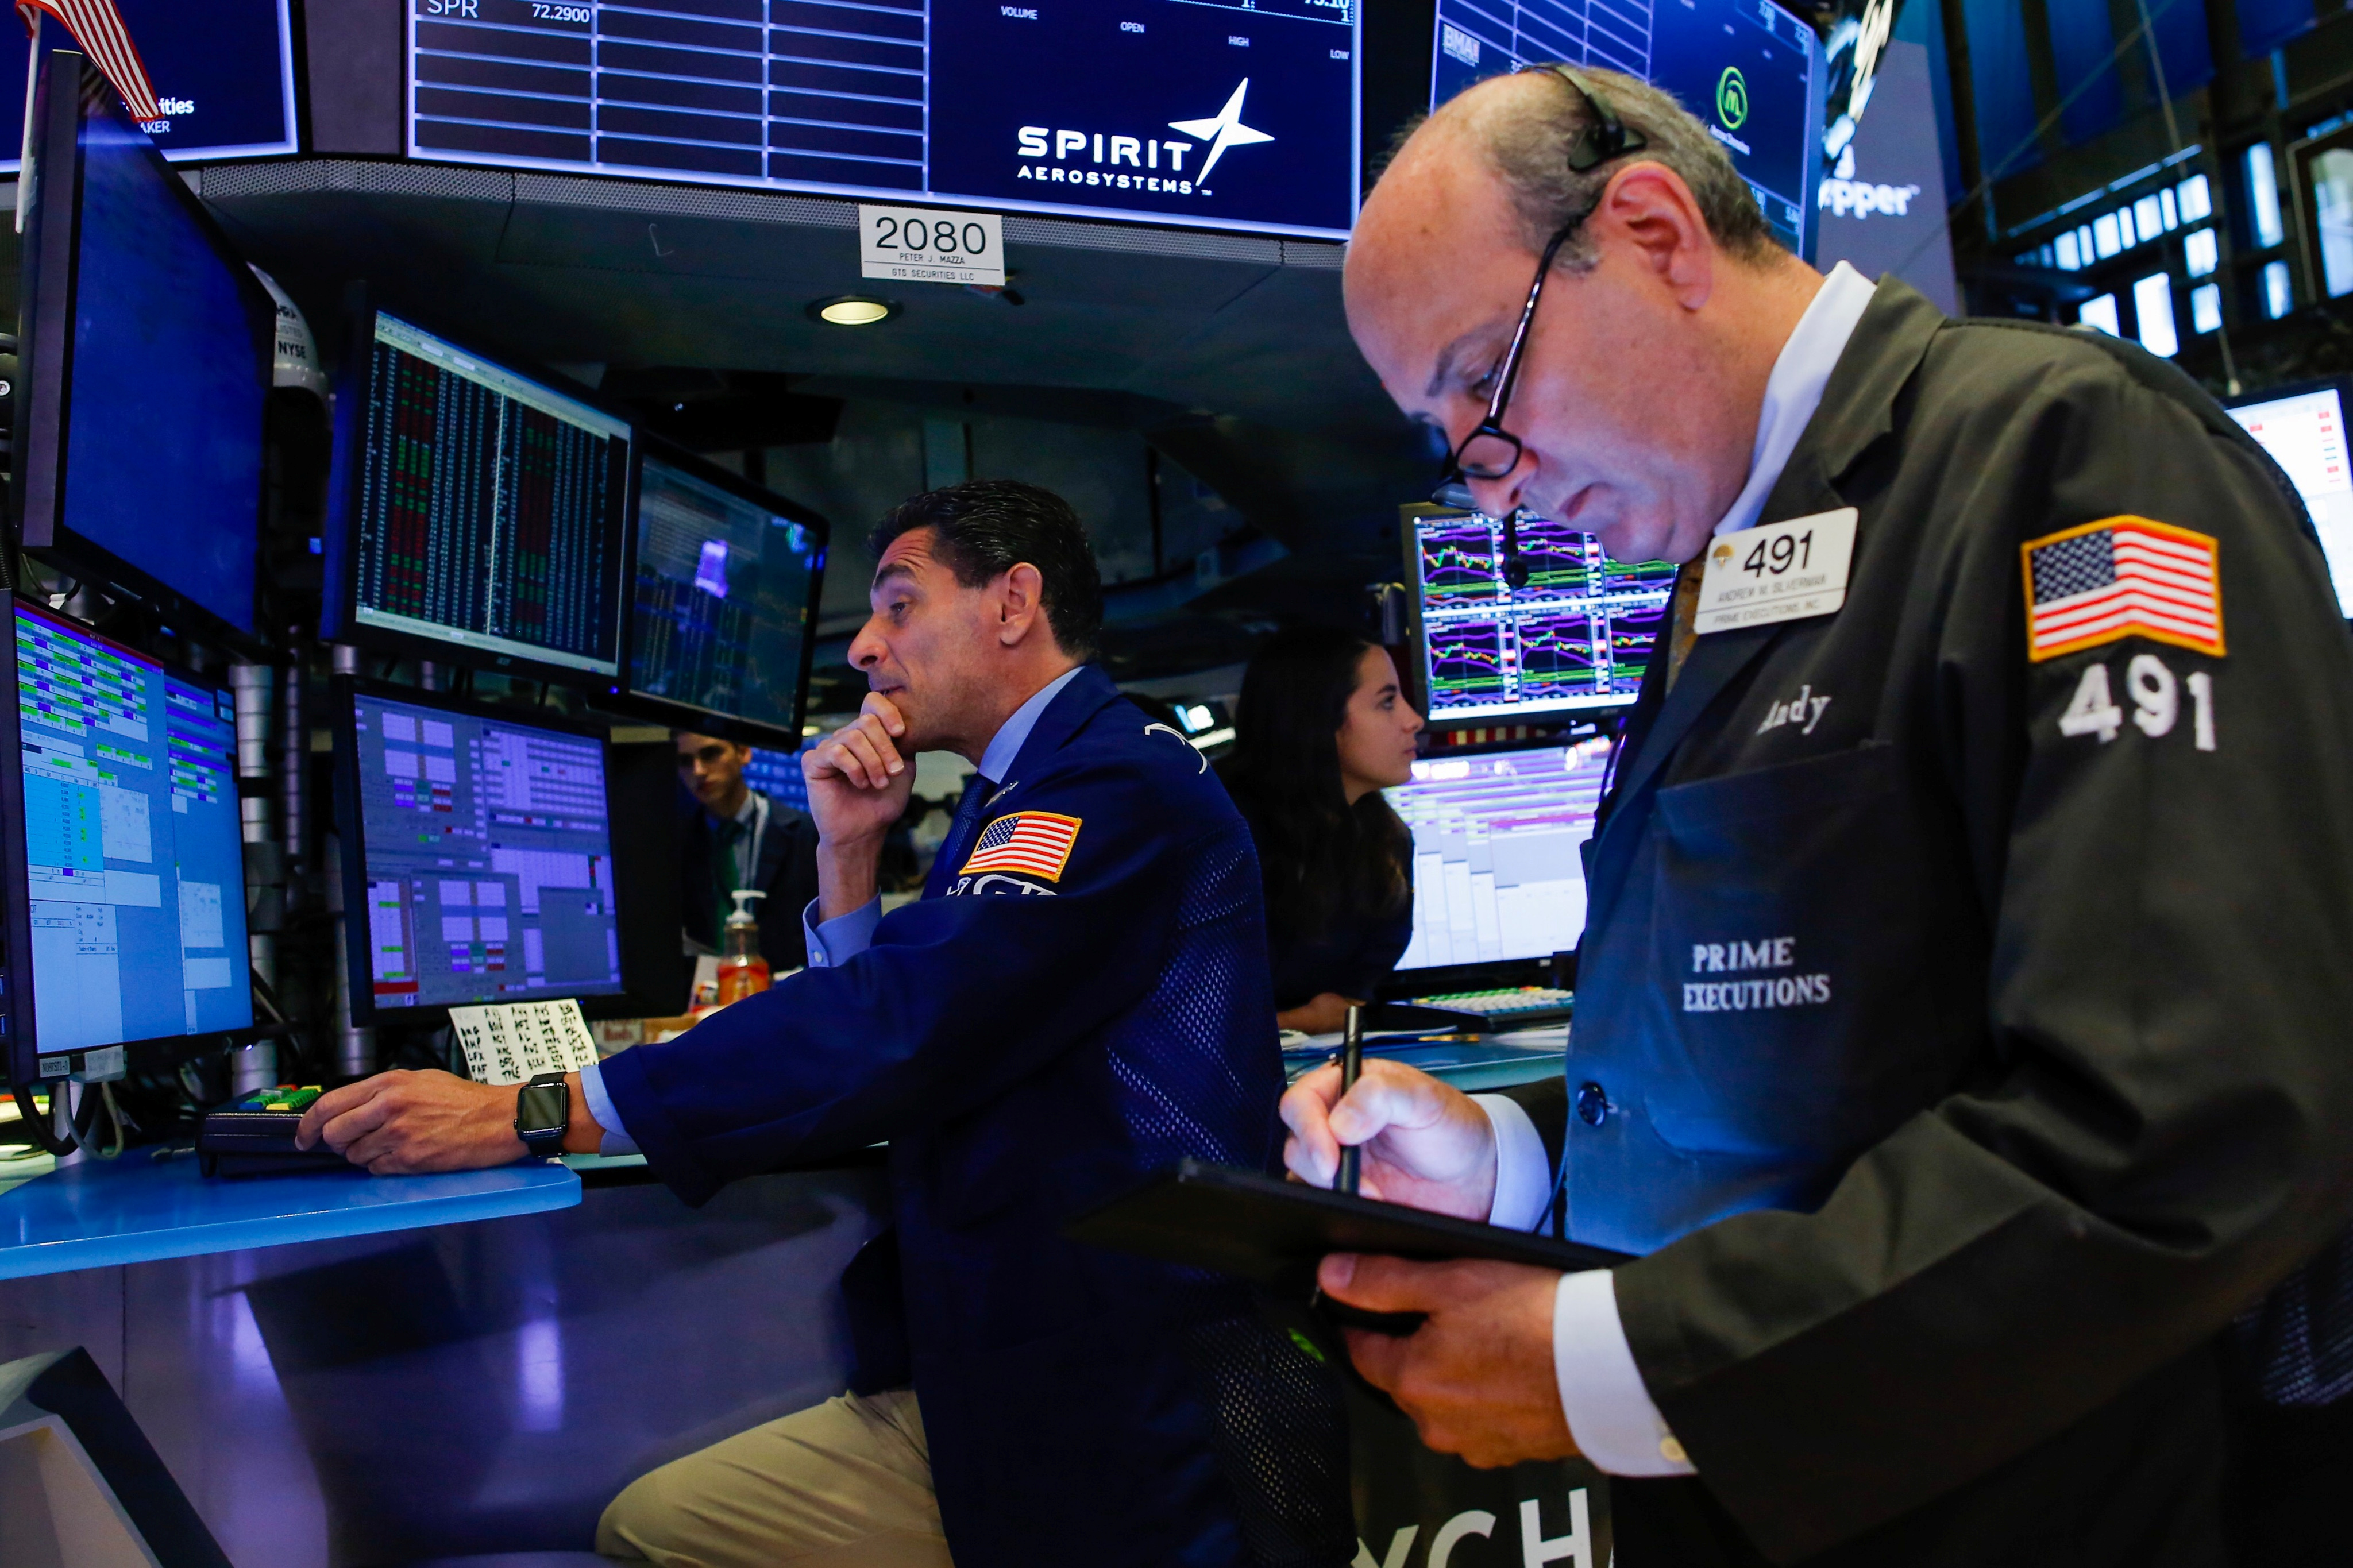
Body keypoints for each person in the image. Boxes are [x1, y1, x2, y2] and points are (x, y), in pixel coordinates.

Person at [1280, 62, 2353, 1566]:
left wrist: (1621, 1362)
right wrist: (1505, 1165)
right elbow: (1818, 1076)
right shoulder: (1724, 576)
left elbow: (2178, 1118)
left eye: (1483, 381)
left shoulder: (2071, 461)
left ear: (1654, 234)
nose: (1489, 484)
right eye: (1443, 430)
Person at [295, 480, 1349, 1568]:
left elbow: (903, 1020)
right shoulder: (1025, 785)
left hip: (1132, 1405)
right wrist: (848, 852)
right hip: (1040, 1360)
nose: (863, 647)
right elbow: (923, 1022)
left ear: (1012, 603)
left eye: (899, 604)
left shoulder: (1107, 785)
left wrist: (532, 1110)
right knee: (657, 1522)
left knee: (654, 1530)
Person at [1218, 626, 1424, 1033]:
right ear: (1317, 717)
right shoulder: (1220, 832)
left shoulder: (1385, 842)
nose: (1414, 720)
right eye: (1387, 702)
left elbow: (1352, 997)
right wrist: (1302, 1021)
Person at [675, 729, 820, 976]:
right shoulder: (677, 841)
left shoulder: (805, 834)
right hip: (710, 988)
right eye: (685, 761)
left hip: (789, 986)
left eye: (711, 754)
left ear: (743, 752)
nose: (698, 771)